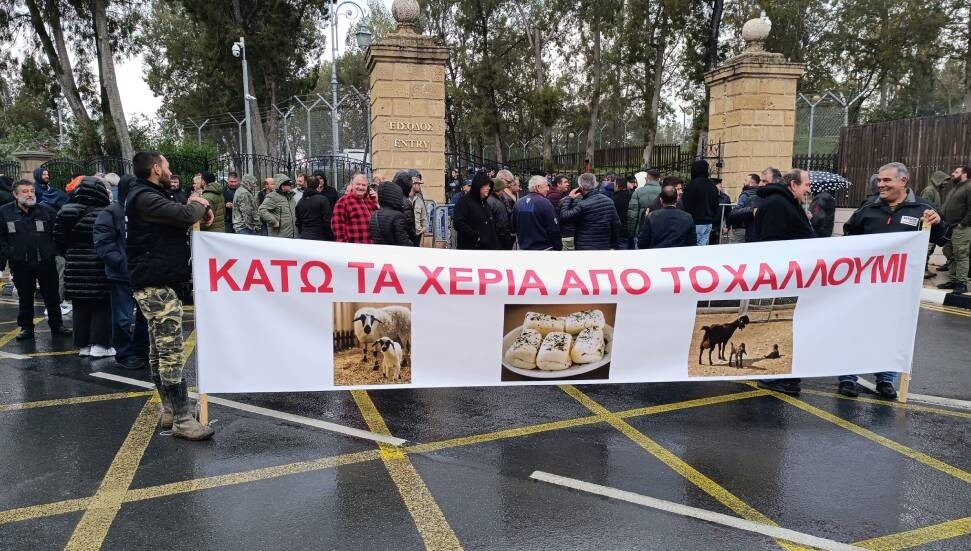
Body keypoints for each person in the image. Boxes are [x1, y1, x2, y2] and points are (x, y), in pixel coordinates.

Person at [127, 151, 214, 440]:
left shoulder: (150, 194)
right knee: (171, 354)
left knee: (159, 351)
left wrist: (195, 204)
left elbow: (182, 214)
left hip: (157, 282)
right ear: (155, 168)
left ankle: (169, 411)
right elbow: (185, 214)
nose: (169, 169)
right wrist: (198, 203)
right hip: (155, 284)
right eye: (166, 165)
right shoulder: (145, 197)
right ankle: (182, 419)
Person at [839, 162, 944, 399]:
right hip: (863, 285)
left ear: (903, 181)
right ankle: (847, 378)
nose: (880, 184)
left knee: (892, 332)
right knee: (856, 331)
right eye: (879, 180)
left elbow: (941, 237)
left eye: (887, 180)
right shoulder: (867, 208)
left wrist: (937, 222)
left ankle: (886, 379)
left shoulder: (922, 210)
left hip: (899, 287)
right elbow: (848, 238)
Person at [752, 169, 815, 396]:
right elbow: (773, 246)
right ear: (793, 185)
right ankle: (775, 375)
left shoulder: (786, 203)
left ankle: (783, 373)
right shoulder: (778, 205)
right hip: (782, 281)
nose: (809, 189)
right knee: (780, 326)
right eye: (807, 184)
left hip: (791, 279)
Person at [0, 180, 72, 341]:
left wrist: (52, 251)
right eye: (25, 191)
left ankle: (57, 325)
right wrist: (10, 254)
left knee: (52, 296)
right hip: (21, 264)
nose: (30, 194)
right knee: (25, 297)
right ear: (15, 194)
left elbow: (58, 233)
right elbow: (1, 238)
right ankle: (26, 328)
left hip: (45, 262)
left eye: (32, 190)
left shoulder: (46, 211)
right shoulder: (4, 213)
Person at [93, 175, 149, 370]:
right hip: (122, 275)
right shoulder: (111, 212)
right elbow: (103, 242)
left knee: (145, 316)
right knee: (123, 317)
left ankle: (141, 350)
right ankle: (124, 353)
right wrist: (119, 263)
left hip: (144, 273)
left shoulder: (144, 211)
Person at [54, 178, 113, 357]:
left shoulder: (64, 211)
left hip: (74, 264)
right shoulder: (106, 212)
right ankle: (100, 345)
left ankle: (83, 345)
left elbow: (58, 241)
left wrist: (71, 254)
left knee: (80, 306)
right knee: (102, 306)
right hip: (99, 264)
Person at [558, 172, 621, 251]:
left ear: (580, 186)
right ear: (595, 184)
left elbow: (564, 216)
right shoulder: (609, 201)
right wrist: (614, 245)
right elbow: (616, 224)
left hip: (584, 247)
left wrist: (569, 197)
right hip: (604, 245)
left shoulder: (583, 205)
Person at [938, 165, 971, 295]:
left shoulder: (969, 187)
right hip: (949, 227)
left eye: (956, 172)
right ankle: (953, 280)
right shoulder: (956, 188)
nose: (952, 173)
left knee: (961, 255)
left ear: (965, 174)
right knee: (949, 253)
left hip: (961, 228)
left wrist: (962, 224)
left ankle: (961, 283)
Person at [637, 183, 696, 249]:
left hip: (658, 255)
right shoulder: (687, 217)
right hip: (679, 255)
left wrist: (645, 220)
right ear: (677, 199)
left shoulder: (651, 217)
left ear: (661, 200)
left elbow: (642, 243)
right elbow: (692, 243)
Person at [512, 175, 562, 251]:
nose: (548, 189)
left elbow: (513, 226)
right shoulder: (545, 203)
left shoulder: (518, 203)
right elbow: (554, 229)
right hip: (544, 249)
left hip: (524, 249)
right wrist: (558, 247)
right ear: (538, 187)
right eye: (546, 186)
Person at [454, 171, 500, 250]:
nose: (488, 188)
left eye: (489, 185)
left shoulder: (484, 203)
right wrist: (477, 237)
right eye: (485, 185)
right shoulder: (464, 202)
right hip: (470, 249)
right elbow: (458, 223)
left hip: (486, 249)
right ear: (478, 186)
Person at [331, 173, 378, 244]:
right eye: (358, 184)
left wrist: (377, 202)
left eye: (364, 185)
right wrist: (345, 247)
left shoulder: (370, 201)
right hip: (353, 249)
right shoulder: (343, 202)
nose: (361, 187)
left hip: (371, 248)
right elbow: (338, 228)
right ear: (352, 185)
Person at [682, 160, 720, 246]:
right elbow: (716, 203)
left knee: (692, 247)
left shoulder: (692, 185)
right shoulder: (712, 185)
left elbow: (686, 203)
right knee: (702, 247)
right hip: (708, 222)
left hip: (695, 221)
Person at [370, 181, 415, 247]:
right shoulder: (397, 216)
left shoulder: (375, 214)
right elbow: (403, 241)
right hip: (395, 254)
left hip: (380, 253)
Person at [921, 171, 948, 277]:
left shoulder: (935, 191)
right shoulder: (929, 190)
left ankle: (924, 269)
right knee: (927, 248)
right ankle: (922, 271)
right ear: (939, 180)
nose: (946, 183)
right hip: (929, 224)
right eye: (944, 180)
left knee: (930, 248)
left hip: (934, 224)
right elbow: (925, 207)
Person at [295, 172, 334, 240]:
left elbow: (298, 222)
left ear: (306, 184)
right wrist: (330, 236)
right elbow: (327, 220)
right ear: (317, 185)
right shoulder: (323, 200)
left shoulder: (300, 202)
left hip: (304, 237)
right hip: (320, 237)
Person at [259, 173, 298, 238]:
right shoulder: (273, 197)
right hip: (280, 236)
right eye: (288, 184)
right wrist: (274, 222)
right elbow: (261, 210)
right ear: (282, 185)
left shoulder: (290, 196)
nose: (290, 186)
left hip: (293, 235)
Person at [728, 173, 762, 243]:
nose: (744, 182)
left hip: (741, 229)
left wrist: (734, 225)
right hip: (754, 230)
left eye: (746, 180)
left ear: (751, 183)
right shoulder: (762, 193)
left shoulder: (745, 194)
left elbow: (737, 212)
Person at [627, 169, 662, 237]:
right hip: (660, 230)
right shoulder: (664, 191)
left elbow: (632, 215)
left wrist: (631, 233)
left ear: (646, 179)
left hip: (641, 230)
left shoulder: (637, 192)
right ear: (659, 179)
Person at [488, 177, 513, 249]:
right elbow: (502, 224)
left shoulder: (486, 199)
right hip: (500, 239)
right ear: (498, 190)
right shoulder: (498, 204)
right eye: (503, 189)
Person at [612, 175, 635, 249]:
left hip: (620, 231)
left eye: (614, 185)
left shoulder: (614, 199)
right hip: (631, 229)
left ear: (617, 186)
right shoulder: (632, 196)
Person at [406, 169, 428, 246]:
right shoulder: (403, 198)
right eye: (418, 184)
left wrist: (422, 230)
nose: (420, 186)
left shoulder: (419, 200)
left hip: (417, 235)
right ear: (413, 184)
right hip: (406, 235)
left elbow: (424, 218)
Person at [710, 180, 732, 244]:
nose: (720, 188)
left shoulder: (725, 198)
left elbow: (729, 213)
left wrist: (727, 226)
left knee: (716, 244)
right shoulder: (707, 196)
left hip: (718, 226)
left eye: (720, 186)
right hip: (707, 224)